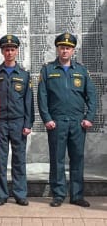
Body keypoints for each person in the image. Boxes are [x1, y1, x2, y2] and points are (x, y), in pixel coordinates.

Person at [38, 32, 97, 208]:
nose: (65, 51)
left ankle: (77, 195)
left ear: (73, 51)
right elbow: (42, 97)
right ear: (57, 49)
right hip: (57, 122)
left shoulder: (81, 71)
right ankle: (58, 194)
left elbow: (91, 96)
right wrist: (47, 119)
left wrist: (89, 118)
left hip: (78, 123)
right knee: (57, 159)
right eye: (62, 47)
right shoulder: (48, 70)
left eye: (68, 48)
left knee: (77, 158)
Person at [0, 35, 34, 206]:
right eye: (6, 49)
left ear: (17, 51)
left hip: (18, 123)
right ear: (2, 51)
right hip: (0, 123)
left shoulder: (24, 75)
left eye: (12, 49)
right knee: (1, 160)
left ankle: (20, 193)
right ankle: (2, 195)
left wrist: (28, 124)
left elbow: (28, 102)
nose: (9, 52)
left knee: (19, 160)